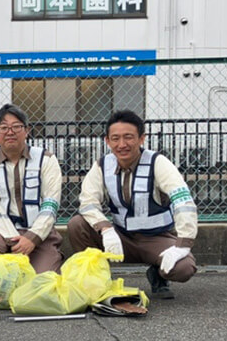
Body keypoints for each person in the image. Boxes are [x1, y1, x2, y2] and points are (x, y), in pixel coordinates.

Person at [67, 109, 197, 299]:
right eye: (115, 138)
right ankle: (95, 281)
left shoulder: (158, 163)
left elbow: (183, 200)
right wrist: (105, 228)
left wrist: (183, 244)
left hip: (156, 239)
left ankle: (157, 272)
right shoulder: (102, 165)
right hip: (120, 237)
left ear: (141, 138)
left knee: (183, 268)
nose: (122, 144)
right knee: (77, 225)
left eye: (128, 137)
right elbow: (87, 202)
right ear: (107, 141)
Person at [0, 104, 63, 273]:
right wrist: (16, 242)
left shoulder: (47, 160)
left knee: (45, 279)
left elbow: (51, 205)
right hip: (1, 233)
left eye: (16, 127)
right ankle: (6, 274)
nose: (10, 132)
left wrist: (32, 238)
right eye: (4, 128)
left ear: (27, 130)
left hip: (39, 233)